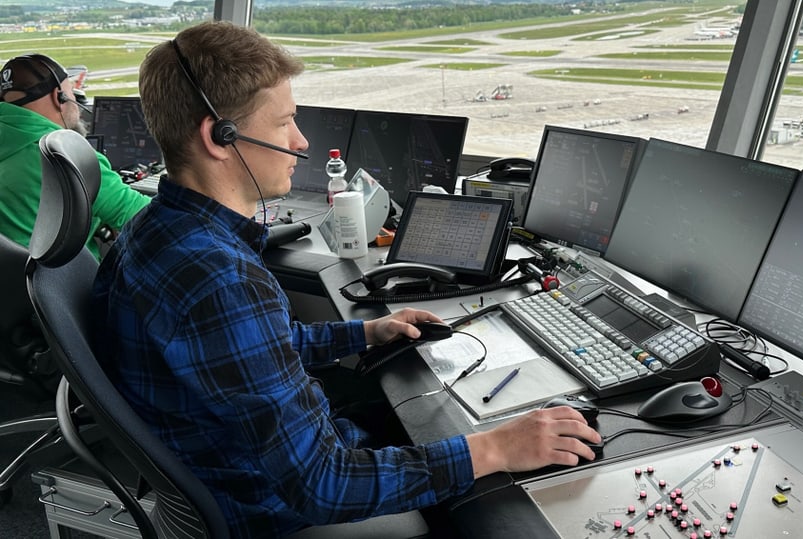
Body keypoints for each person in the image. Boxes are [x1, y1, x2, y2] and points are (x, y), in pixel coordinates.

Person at [92, 21, 601, 538]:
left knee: (410, 415)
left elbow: (253, 351)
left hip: (230, 474)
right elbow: (324, 485)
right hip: (271, 510)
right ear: (220, 138)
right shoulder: (217, 279)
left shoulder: (155, 230)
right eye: (285, 122)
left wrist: (363, 333)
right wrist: (495, 448)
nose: (300, 140)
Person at [0, 53, 150, 257]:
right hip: (66, 285)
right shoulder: (67, 157)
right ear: (59, 96)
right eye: (70, 90)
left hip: (13, 281)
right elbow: (146, 217)